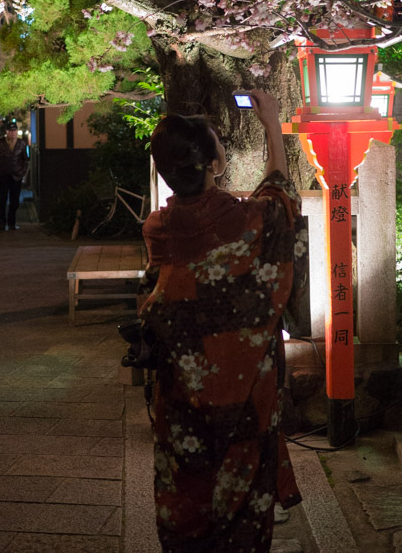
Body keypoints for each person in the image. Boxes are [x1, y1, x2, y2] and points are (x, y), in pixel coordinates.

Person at [137, 90, 307, 553]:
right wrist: (272, 123)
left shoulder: (157, 228)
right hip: (246, 385)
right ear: (213, 163)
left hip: (183, 387)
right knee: (244, 477)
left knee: (187, 476)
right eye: (218, 143)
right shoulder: (245, 221)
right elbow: (282, 198)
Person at [0, 121, 29, 231]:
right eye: (10, 131)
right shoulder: (0, 143)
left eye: (14, 131)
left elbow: (25, 160)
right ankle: (2, 221)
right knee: (2, 199)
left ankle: (11, 222)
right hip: (3, 175)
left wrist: (22, 172)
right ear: (6, 132)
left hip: (16, 176)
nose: (12, 133)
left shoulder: (22, 143)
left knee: (15, 200)